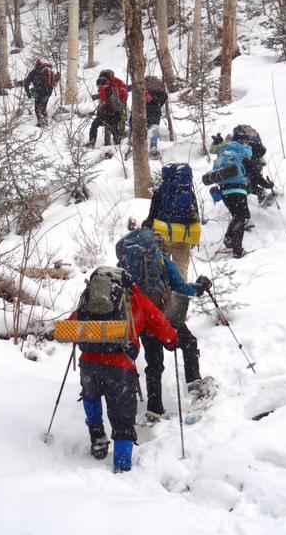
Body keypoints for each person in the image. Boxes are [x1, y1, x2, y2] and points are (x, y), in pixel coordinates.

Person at [69, 265, 178, 473]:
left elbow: (71, 325)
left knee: (90, 396)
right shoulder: (135, 298)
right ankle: (121, 466)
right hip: (120, 367)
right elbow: (160, 324)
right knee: (122, 416)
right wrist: (172, 340)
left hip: (89, 364)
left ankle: (97, 435)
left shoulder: (91, 298)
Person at [115, 228, 213, 423]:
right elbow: (182, 288)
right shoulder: (160, 260)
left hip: (140, 317)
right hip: (162, 313)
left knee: (154, 362)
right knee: (188, 342)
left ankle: (155, 409)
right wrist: (200, 287)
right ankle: (195, 387)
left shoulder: (126, 262)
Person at [141, 162, 201, 279]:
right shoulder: (189, 193)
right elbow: (196, 217)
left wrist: (147, 226)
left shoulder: (160, 192)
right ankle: (181, 295)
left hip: (163, 234)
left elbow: (152, 216)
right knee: (181, 269)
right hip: (184, 236)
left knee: (161, 268)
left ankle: (164, 294)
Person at [205, 136, 253, 258]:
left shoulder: (222, 152)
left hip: (224, 192)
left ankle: (229, 238)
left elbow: (212, 149)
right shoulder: (241, 155)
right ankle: (237, 250)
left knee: (237, 216)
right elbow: (253, 171)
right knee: (241, 218)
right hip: (238, 190)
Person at [231, 125, 275, 207]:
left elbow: (254, 173)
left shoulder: (235, 146)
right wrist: (266, 184)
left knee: (251, 181)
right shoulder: (249, 144)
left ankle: (261, 194)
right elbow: (254, 173)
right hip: (254, 159)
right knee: (251, 180)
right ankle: (261, 194)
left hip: (250, 161)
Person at [87, 69, 128, 148]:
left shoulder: (115, 87)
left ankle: (115, 144)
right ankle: (93, 142)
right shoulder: (106, 86)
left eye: (101, 86)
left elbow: (116, 102)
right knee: (99, 125)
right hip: (107, 111)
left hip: (114, 111)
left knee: (111, 126)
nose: (100, 87)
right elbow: (103, 101)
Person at [23, 58, 59, 127]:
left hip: (39, 92)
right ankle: (46, 121)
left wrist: (28, 93)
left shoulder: (35, 71)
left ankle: (41, 123)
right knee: (43, 107)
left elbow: (26, 82)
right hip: (48, 92)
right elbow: (54, 81)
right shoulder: (50, 70)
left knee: (37, 109)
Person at [144, 75, 168, 159]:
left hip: (145, 108)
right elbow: (165, 96)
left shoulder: (143, 86)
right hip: (156, 108)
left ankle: (144, 146)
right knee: (154, 127)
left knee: (147, 127)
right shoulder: (159, 87)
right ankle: (153, 147)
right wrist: (158, 104)